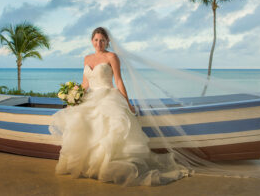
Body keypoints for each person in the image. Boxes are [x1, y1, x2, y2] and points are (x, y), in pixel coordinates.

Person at [49, 27, 191, 186]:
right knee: (79, 119)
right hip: (91, 96)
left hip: (107, 95)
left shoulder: (112, 56)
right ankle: (86, 165)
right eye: (96, 40)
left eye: (102, 40)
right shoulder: (87, 58)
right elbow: (85, 83)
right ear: (91, 41)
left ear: (107, 41)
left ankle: (105, 167)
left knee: (108, 124)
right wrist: (72, 98)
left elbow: (118, 81)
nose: (99, 43)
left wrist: (127, 102)